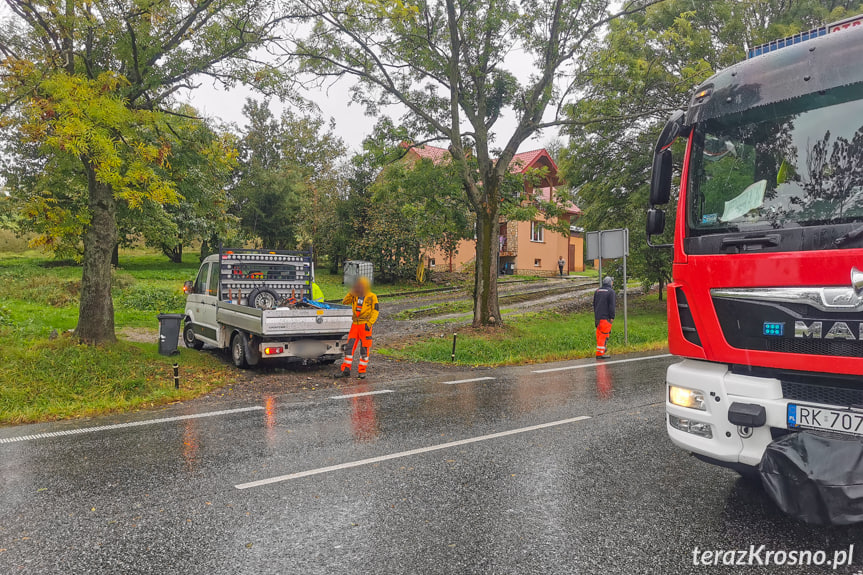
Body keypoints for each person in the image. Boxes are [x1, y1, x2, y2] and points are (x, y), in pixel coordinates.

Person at [336, 277, 379, 379]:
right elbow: (345, 302)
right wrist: (352, 292)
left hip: (365, 325)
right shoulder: (354, 295)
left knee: (364, 348)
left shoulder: (372, 296)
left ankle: (362, 371)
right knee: (349, 348)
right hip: (355, 324)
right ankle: (346, 370)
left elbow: (375, 311)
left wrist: (369, 323)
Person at [593, 276, 616, 359]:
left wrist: (596, 315)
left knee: (599, 335)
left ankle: (601, 350)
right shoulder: (611, 292)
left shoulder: (597, 291)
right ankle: (600, 354)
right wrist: (612, 316)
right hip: (605, 317)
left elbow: (594, 304)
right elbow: (612, 306)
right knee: (604, 335)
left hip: (598, 317)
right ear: (610, 283)